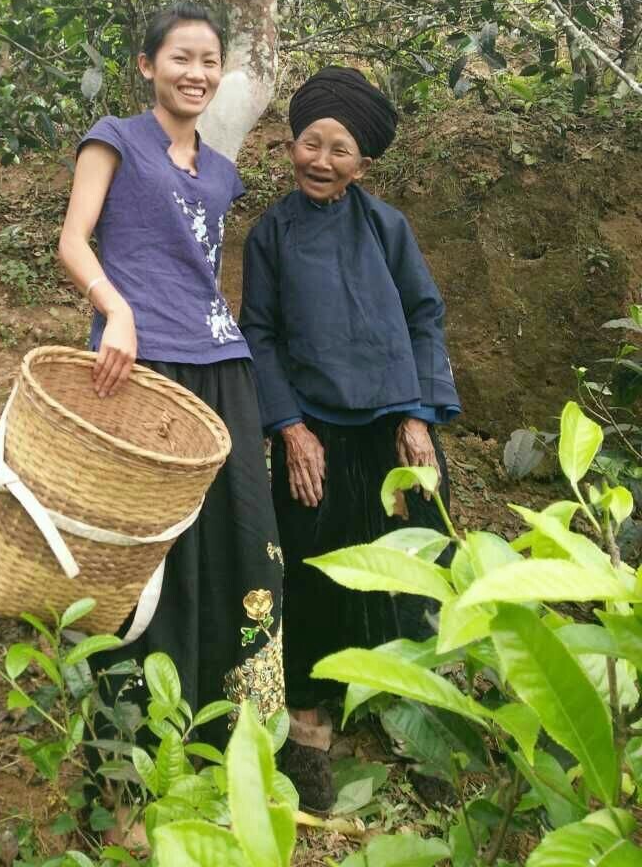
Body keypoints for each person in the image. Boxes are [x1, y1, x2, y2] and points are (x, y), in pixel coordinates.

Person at [58, 0, 285, 750]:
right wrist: (114, 310)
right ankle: (128, 752)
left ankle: (235, 738)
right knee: (142, 553)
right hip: (139, 368)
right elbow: (73, 241)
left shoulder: (222, 173)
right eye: (182, 57)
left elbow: (201, 270)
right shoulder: (113, 140)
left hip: (223, 368)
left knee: (239, 541)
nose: (197, 72)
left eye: (209, 60)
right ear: (147, 65)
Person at [239, 66, 460, 794]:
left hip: (394, 432)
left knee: (404, 573)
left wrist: (419, 415)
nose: (322, 161)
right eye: (311, 143)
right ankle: (309, 727)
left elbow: (423, 317)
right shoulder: (271, 234)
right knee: (315, 577)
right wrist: (290, 429)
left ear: (364, 164)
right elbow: (261, 336)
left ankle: (415, 720)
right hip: (317, 440)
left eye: (340, 150)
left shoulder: (388, 228)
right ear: (289, 146)